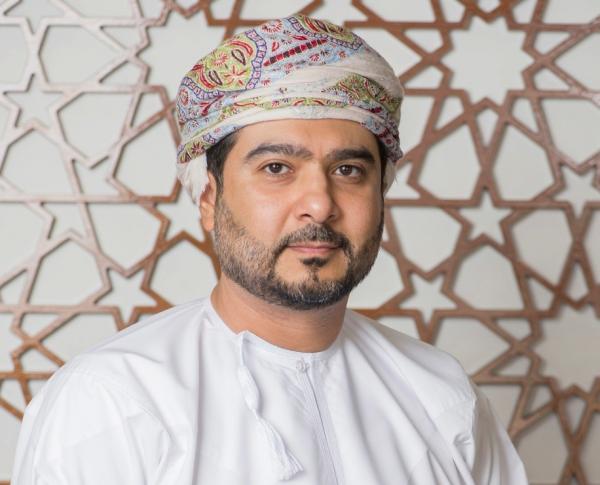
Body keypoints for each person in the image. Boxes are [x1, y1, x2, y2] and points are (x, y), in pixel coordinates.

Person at [11, 14, 528, 484]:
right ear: (209, 199)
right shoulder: (112, 401)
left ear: (381, 194)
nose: (319, 204)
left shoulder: (440, 395)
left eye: (348, 170)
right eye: (277, 168)